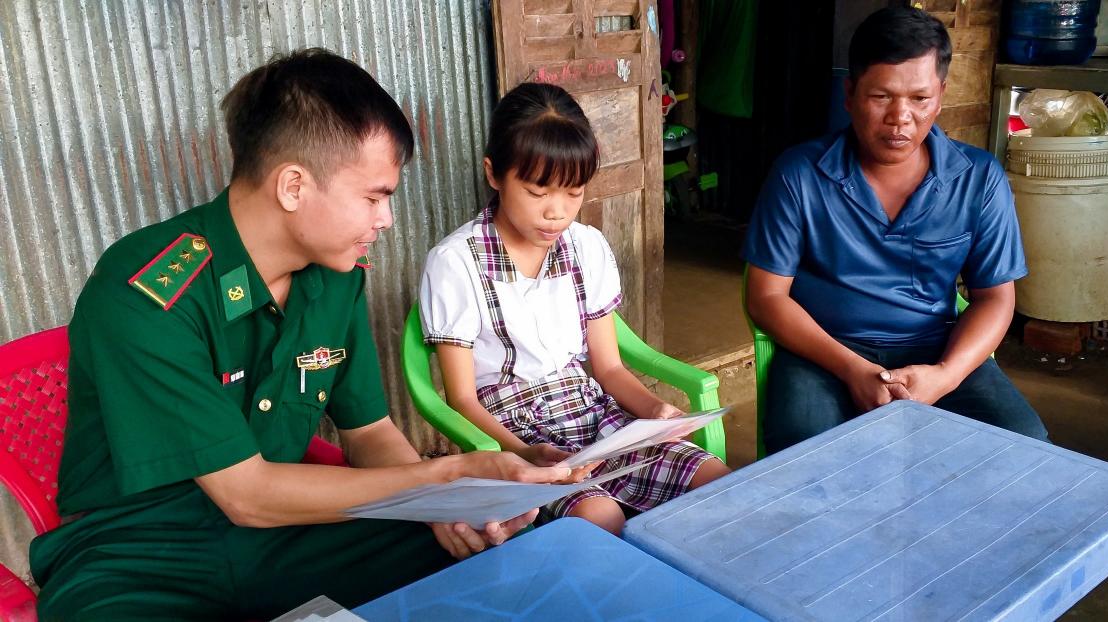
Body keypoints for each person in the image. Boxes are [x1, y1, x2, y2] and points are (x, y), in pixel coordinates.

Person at [30, 49, 577, 621]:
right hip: (134, 556)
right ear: (293, 186)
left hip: (290, 532)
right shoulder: (146, 289)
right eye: (374, 196)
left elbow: (368, 433)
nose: (386, 219)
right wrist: (449, 471)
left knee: (487, 557)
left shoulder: (335, 279)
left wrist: (439, 505)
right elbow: (246, 496)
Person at [419, 82, 731, 535]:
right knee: (600, 519)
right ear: (494, 174)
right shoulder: (455, 263)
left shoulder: (586, 247)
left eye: (574, 192)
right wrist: (520, 454)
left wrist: (654, 412)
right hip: (511, 427)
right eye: (537, 191)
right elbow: (462, 398)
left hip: (594, 411)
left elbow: (608, 367)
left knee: (715, 483)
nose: (557, 213)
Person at [743, 5, 1050, 454]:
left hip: (934, 347)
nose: (900, 117)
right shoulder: (799, 175)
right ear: (849, 94)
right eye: (881, 96)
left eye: (919, 99)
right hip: (823, 351)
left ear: (941, 96)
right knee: (804, 456)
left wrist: (944, 375)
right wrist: (851, 368)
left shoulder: (979, 178)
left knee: (1025, 448)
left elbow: (996, 297)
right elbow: (766, 296)